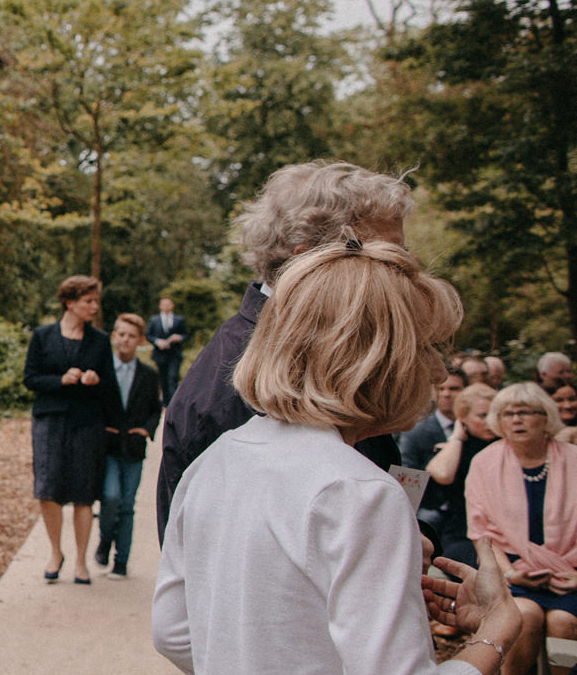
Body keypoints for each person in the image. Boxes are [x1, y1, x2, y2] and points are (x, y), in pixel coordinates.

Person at [155, 238, 522, 675]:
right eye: (425, 346)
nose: (438, 367)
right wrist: (498, 628)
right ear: (375, 358)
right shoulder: (359, 491)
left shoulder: (220, 460)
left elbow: (175, 632)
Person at [156, 161, 416, 541]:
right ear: (306, 260)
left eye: (402, 253)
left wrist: (413, 541)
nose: (405, 271)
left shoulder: (334, 351)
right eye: (383, 257)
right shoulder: (245, 379)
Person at [465, 383, 577, 675]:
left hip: (570, 570)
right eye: (508, 413)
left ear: (546, 419)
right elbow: (481, 531)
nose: (516, 420)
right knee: (526, 615)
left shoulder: (573, 459)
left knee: (562, 622)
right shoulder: (484, 462)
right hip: (512, 568)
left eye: (526, 412)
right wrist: (511, 572)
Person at [24, 275, 110, 584]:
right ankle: (55, 551)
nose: (94, 306)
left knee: (84, 492)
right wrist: (60, 380)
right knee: (48, 489)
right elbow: (30, 379)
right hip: (49, 420)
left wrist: (95, 380)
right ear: (69, 302)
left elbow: (110, 385)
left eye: (95, 301)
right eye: (88, 301)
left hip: (87, 422)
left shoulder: (100, 340)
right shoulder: (42, 336)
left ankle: (81, 562)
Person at [95, 313, 159, 580]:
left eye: (131, 336)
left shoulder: (149, 374)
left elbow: (156, 410)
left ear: (140, 341)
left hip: (133, 448)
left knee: (127, 505)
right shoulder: (101, 370)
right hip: (108, 447)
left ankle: (121, 561)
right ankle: (105, 539)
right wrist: (100, 428)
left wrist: (146, 429)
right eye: (121, 334)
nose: (125, 340)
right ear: (113, 336)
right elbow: (92, 405)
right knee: (110, 497)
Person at [423, 382, 499, 568]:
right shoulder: (455, 450)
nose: (490, 421)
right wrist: (457, 437)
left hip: (503, 536)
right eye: (482, 415)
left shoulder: (507, 447)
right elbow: (443, 474)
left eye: (494, 415)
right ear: (463, 417)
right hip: (462, 535)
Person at [147, 296, 187, 408]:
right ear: (160, 306)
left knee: (172, 378)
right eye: (163, 304)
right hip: (160, 354)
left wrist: (178, 337)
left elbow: (185, 335)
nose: (166, 306)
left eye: (168, 304)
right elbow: (148, 335)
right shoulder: (154, 320)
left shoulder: (179, 319)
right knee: (163, 379)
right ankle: (165, 404)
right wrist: (157, 341)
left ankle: (174, 404)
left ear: (172, 305)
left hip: (174, 354)